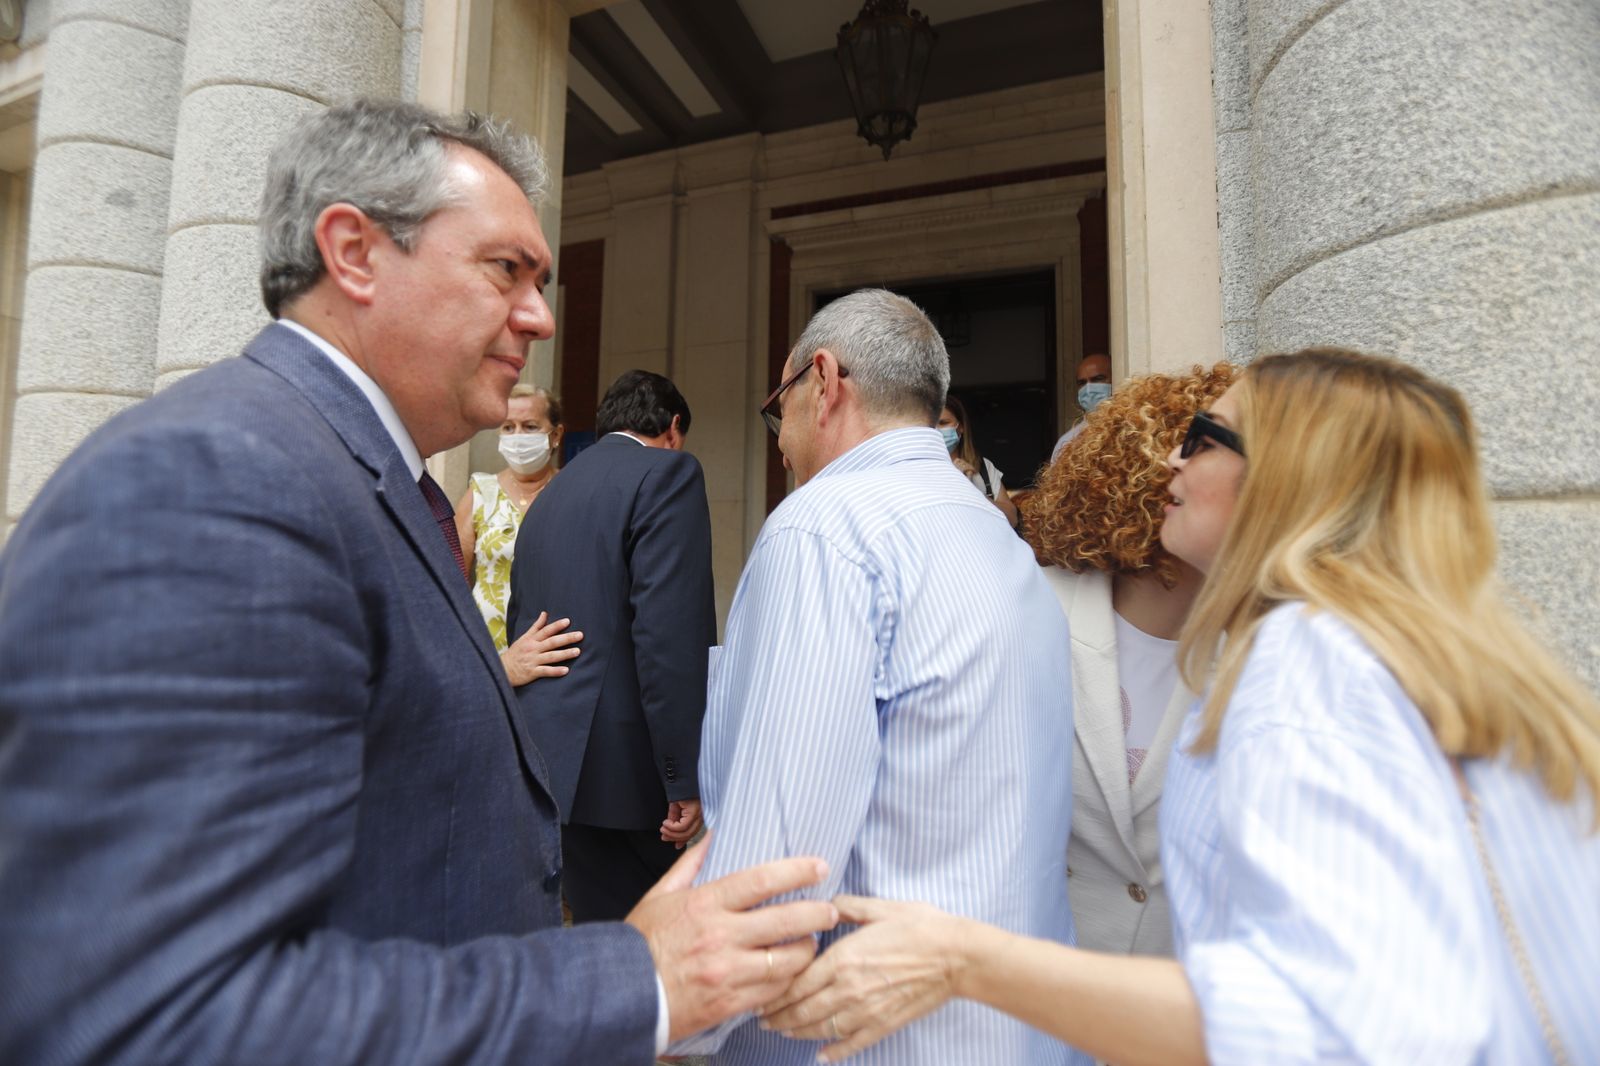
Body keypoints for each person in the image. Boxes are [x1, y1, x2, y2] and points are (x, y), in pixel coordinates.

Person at [0, 99, 840, 1066]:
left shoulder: (370, 481)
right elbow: (154, 1014)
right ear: (354, 253)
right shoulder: (219, 481)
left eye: (541, 280)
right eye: (505, 269)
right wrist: (635, 980)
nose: (541, 315)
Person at [760, 347, 1600, 1064]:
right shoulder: (1438, 659)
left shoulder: (1308, 658)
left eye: (1202, 438)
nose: (1169, 460)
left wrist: (963, 960)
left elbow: (1329, 1025)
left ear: (1288, 476)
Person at [673, 289, 1087, 1065]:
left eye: (778, 410)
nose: (780, 443)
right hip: (1015, 1028)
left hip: (862, 1039)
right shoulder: (994, 532)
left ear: (824, 382)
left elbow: (782, 851)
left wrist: (681, 1020)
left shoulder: (823, 527)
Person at [1022, 363, 1234, 957]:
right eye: (1197, 446)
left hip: (1173, 988)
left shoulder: (1262, 649)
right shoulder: (1029, 609)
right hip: (1037, 971)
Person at [505, 369, 716, 923]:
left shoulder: (548, 497)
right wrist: (683, 774)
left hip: (549, 764)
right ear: (673, 428)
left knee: (593, 932)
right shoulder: (668, 473)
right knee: (648, 945)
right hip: (624, 776)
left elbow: (517, 620)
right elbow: (669, 636)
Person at [452, 382, 581, 687]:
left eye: (530, 426)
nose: (518, 436)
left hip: (556, 656)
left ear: (556, 435)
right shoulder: (480, 493)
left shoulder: (575, 492)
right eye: (508, 427)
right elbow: (451, 578)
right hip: (489, 659)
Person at [937, 394, 1021, 529]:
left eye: (943, 423)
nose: (937, 431)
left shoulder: (983, 467)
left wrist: (972, 491)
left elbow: (1012, 519)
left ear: (961, 426)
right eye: (930, 426)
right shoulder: (917, 470)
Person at [1051, 352, 1113, 461]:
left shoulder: (1133, 430)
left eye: (1097, 379)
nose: (1088, 389)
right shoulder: (1067, 443)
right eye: (1082, 383)